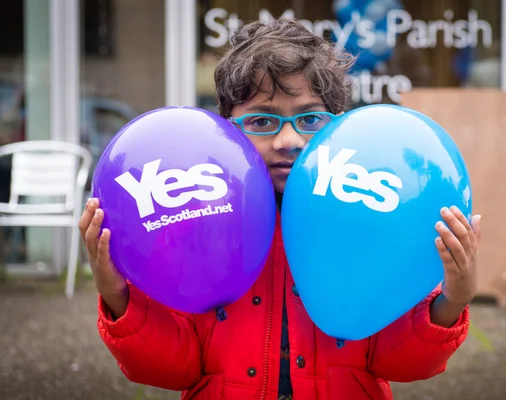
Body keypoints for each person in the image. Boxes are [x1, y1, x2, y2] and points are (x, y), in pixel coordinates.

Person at [79, 18, 482, 400]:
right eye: (261, 121)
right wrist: (115, 294)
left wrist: (450, 301)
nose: (288, 140)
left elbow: (398, 362)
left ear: (341, 127)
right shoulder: (198, 222)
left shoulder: (369, 215)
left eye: (310, 119)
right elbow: (175, 369)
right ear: (224, 131)